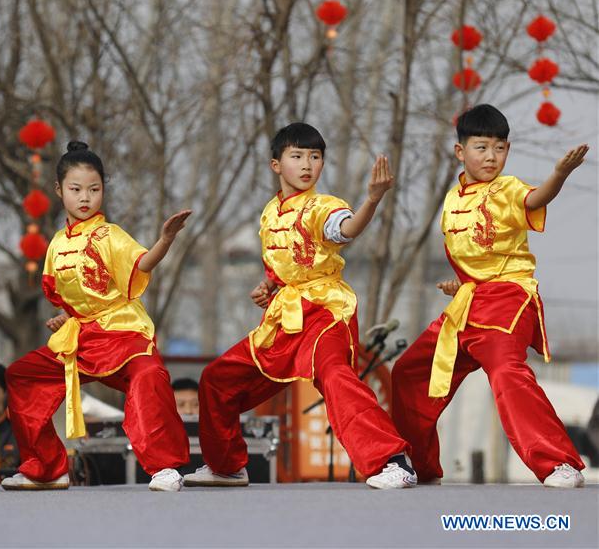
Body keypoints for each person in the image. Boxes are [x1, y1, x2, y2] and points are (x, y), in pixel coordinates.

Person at [185, 123, 416, 490]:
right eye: (297, 156)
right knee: (217, 379)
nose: (308, 164)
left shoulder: (322, 206)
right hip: (284, 318)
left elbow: (345, 229)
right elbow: (281, 267)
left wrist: (371, 199)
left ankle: (392, 461)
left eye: (315, 156)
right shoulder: (268, 214)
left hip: (325, 311)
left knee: (335, 375)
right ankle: (227, 466)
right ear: (276, 164)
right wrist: (269, 287)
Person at [390, 104, 589, 488]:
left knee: (505, 369)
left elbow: (534, 200)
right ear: (460, 151)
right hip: (467, 303)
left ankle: (557, 462)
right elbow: (471, 258)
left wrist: (559, 175)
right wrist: (458, 283)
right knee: (410, 373)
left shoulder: (507, 188)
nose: (491, 157)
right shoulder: (451, 201)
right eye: (481, 147)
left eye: (499, 148)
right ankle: (417, 465)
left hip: (507, 298)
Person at [3, 141, 191, 492]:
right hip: (82, 337)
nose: (85, 197)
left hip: (122, 331)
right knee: (22, 375)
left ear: (104, 189)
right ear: (59, 191)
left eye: (94, 189)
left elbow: (142, 264)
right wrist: (65, 316)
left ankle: (164, 467)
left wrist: (164, 241)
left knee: (149, 374)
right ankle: (47, 468)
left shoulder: (110, 234)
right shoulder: (56, 243)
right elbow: (74, 296)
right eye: (76, 190)